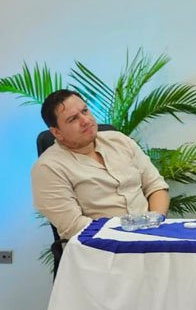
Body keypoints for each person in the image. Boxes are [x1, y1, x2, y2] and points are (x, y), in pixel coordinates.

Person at [31, 90, 170, 239]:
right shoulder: (48, 168)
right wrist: (129, 236)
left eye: (85, 111)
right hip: (99, 246)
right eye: (73, 119)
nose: (85, 120)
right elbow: (74, 226)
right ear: (57, 132)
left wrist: (154, 223)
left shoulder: (119, 140)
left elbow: (156, 187)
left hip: (151, 235)